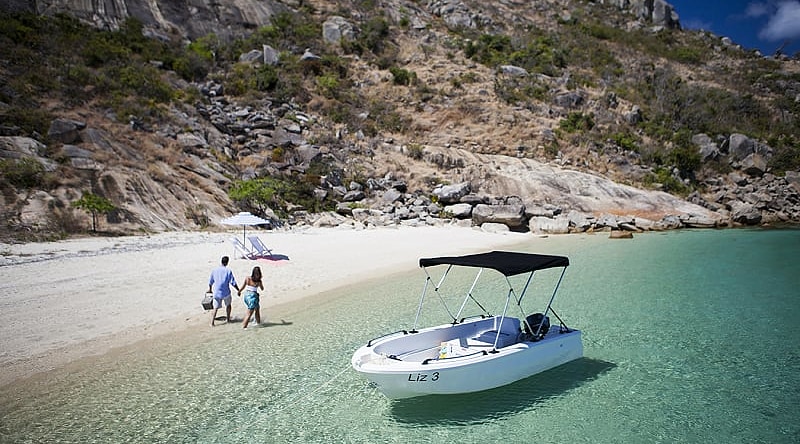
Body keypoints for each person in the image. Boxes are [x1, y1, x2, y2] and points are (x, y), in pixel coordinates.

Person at [207, 256, 240, 326]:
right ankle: (228, 319)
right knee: (228, 305)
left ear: (221, 261)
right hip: (226, 292)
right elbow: (233, 282)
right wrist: (238, 290)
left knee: (215, 308)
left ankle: (212, 323)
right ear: (227, 262)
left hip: (216, 292)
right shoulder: (228, 271)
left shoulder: (214, 270)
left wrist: (210, 289)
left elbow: (210, 281)